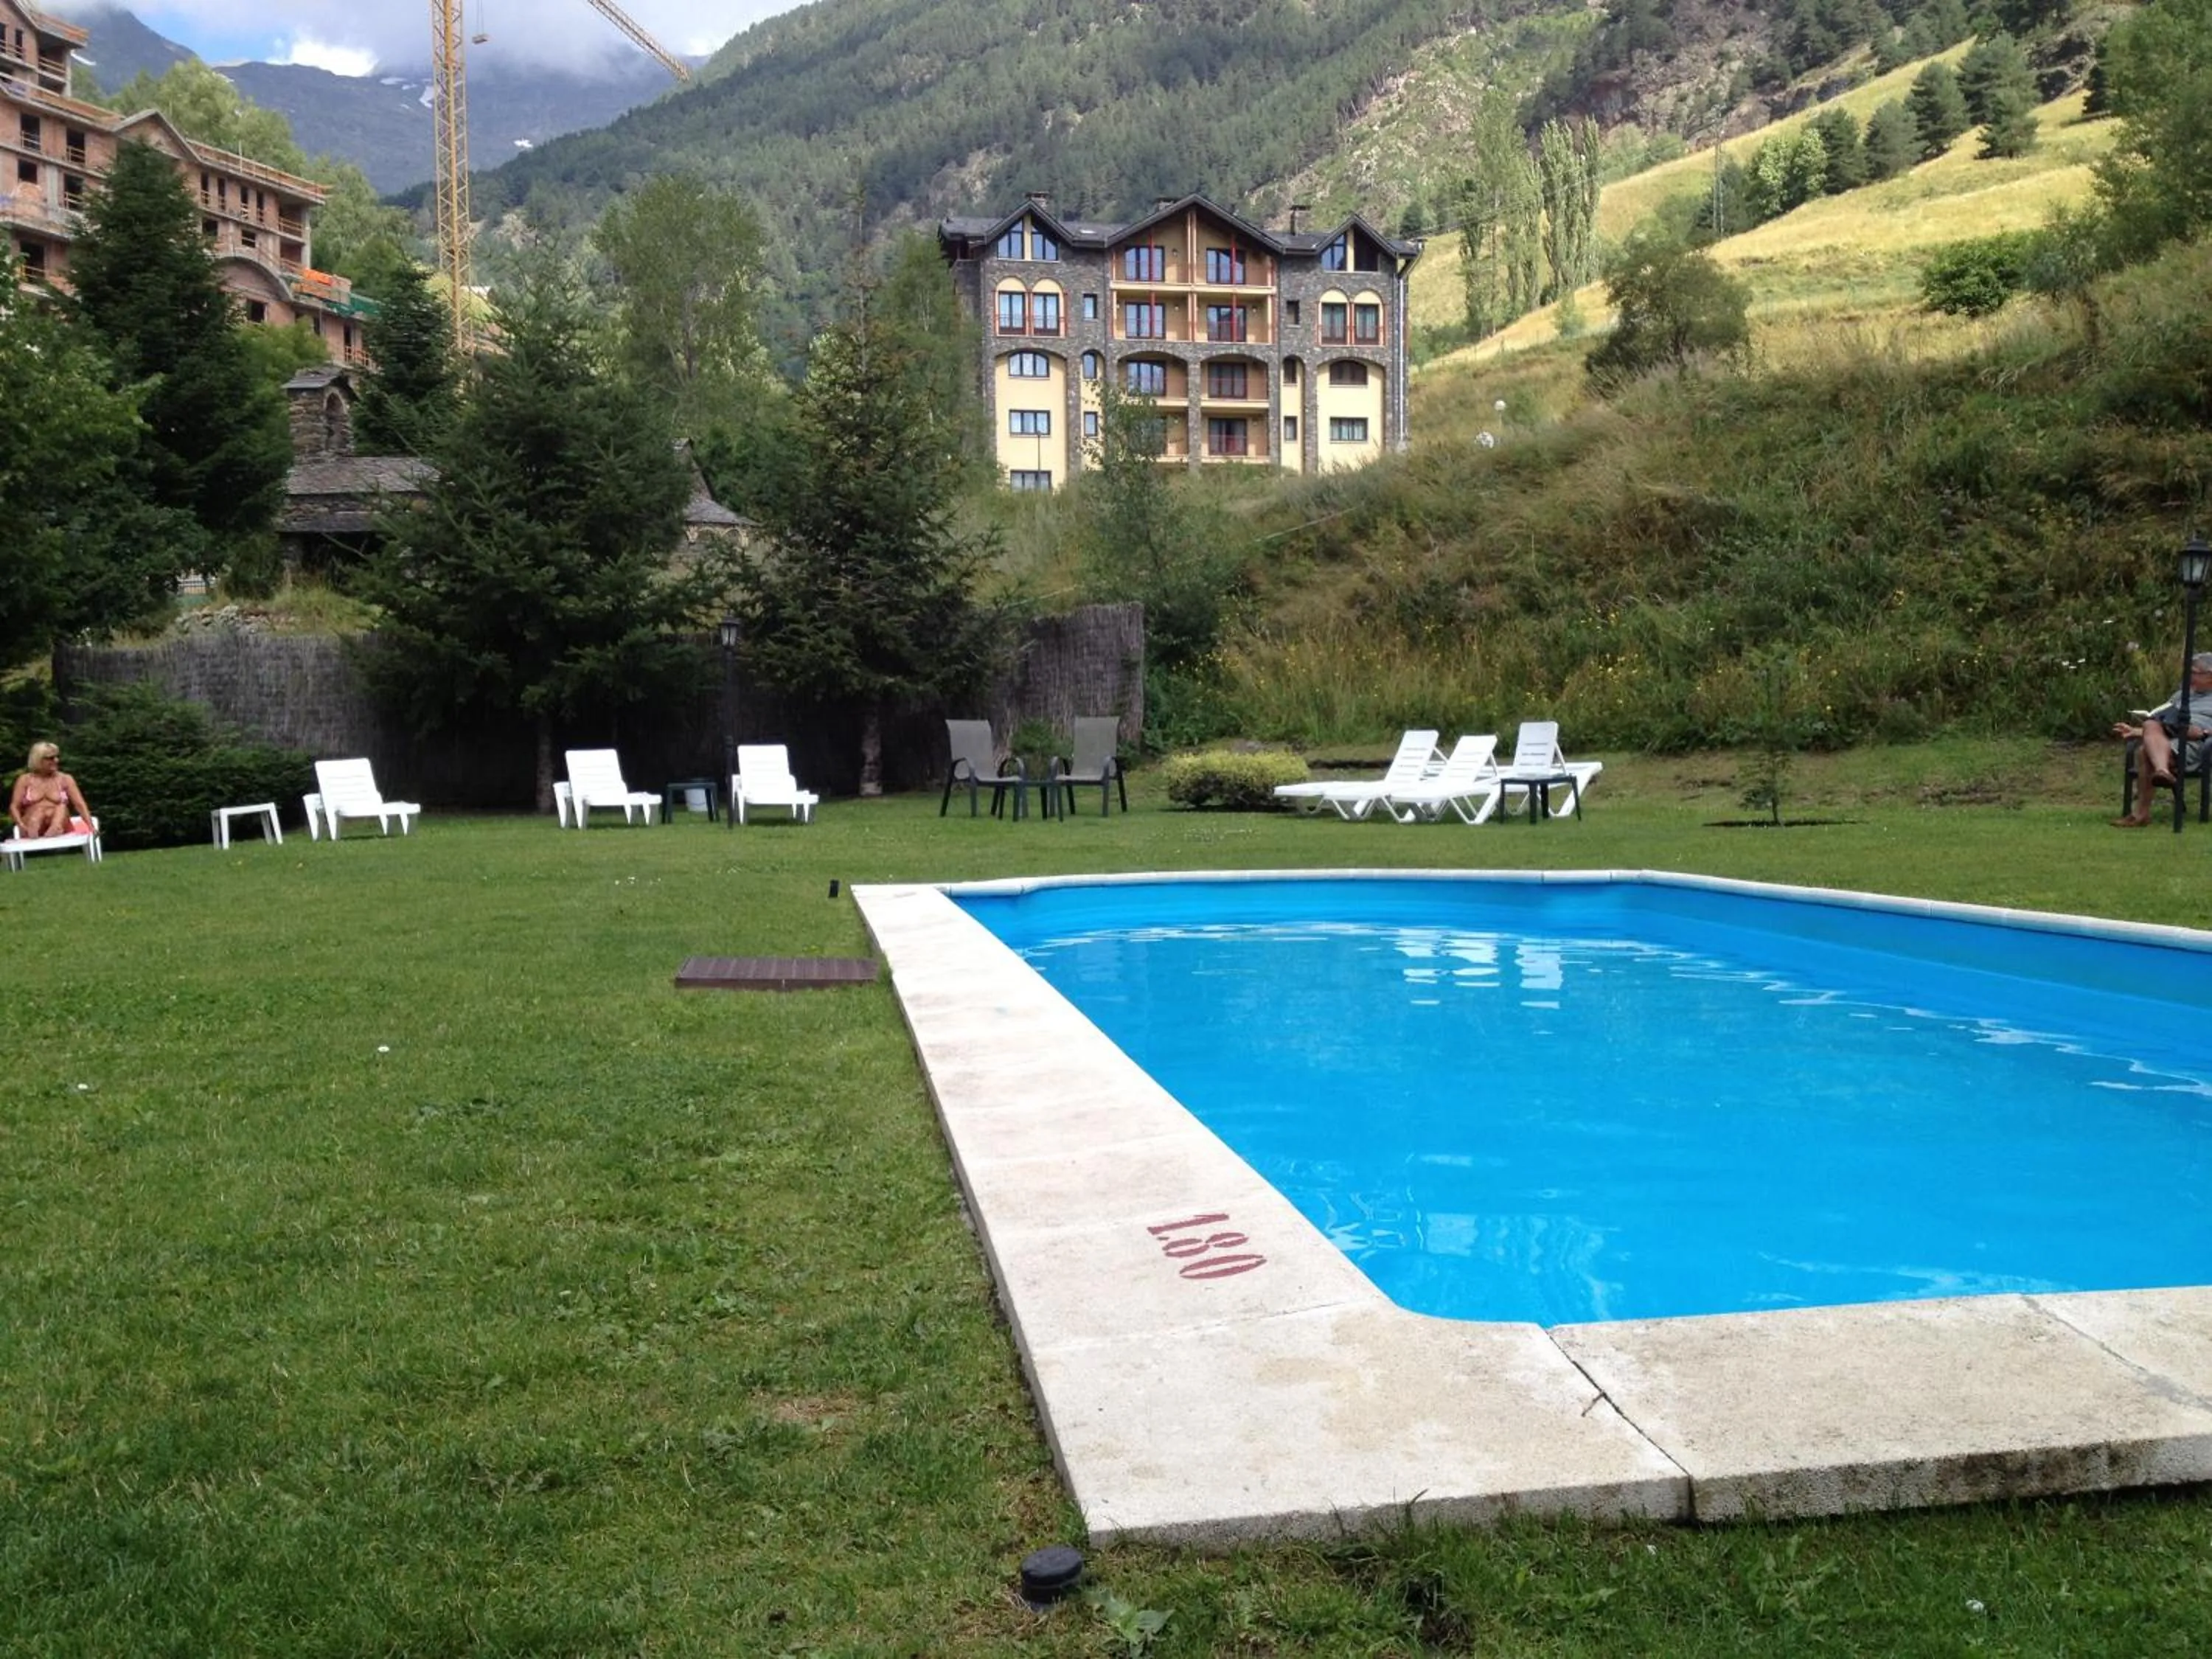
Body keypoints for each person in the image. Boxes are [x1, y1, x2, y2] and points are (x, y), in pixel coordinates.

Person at [2112, 653, 2212, 827]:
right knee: (2151, 723)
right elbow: (2162, 719)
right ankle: (2162, 771)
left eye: (2193, 673)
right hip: (2172, 736)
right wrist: (2136, 731)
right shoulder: (2181, 695)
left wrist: (2205, 732)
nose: (2188, 677)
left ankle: (2141, 814)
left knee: (2145, 751)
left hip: (2200, 743)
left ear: (2210, 676)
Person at [9, 741, 92, 841]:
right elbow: (14, 806)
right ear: (38, 760)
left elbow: (80, 804)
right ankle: (34, 829)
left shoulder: (65, 779)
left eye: (57, 757)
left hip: (60, 820)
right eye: (50, 758)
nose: (56, 760)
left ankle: (55, 828)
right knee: (38, 812)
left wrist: (91, 826)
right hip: (32, 820)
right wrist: (20, 825)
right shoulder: (25, 780)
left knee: (62, 808)